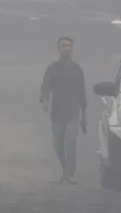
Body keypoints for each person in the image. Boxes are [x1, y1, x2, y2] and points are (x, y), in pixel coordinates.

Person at [39, 36, 88, 184]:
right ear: (58, 49)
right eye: (63, 45)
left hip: (73, 112)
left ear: (72, 49)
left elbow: (82, 93)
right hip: (57, 112)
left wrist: (84, 116)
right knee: (58, 146)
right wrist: (44, 100)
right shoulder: (52, 68)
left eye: (69, 46)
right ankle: (65, 170)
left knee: (70, 142)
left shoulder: (77, 69)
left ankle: (70, 174)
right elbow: (45, 85)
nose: (67, 48)